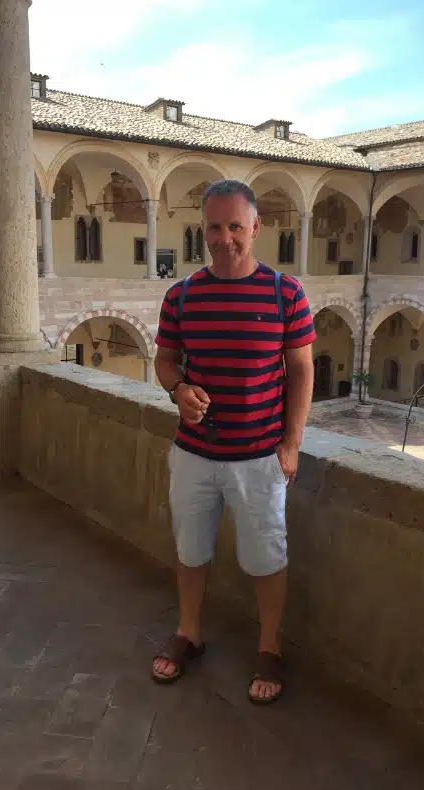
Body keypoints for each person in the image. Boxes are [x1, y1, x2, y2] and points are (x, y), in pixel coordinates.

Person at [152, 179, 315, 704]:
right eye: (215, 228)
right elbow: (164, 359)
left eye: (235, 227)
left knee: (267, 557)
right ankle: (190, 632)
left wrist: (291, 444)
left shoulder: (285, 293)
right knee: (191, 550)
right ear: (204, 230)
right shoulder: (181, 295)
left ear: (256, 228)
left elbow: (301, 371)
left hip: (259, 459)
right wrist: (178, 389)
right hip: (194, 455)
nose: (225, 239)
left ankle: (270, 648)